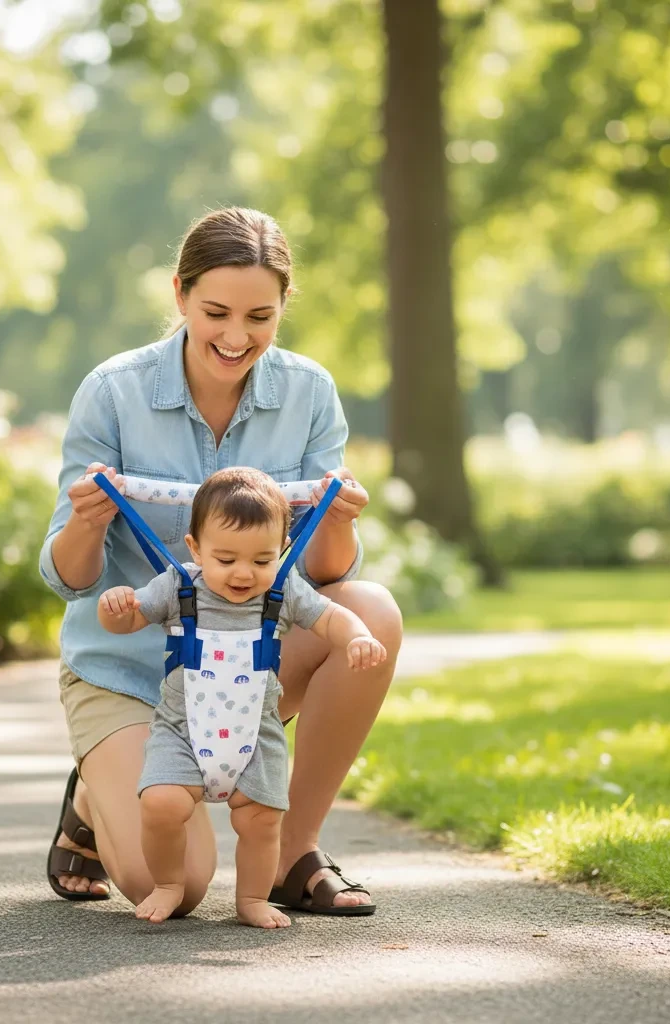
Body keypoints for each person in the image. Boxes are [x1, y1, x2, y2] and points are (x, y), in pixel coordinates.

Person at [41, 206, 403, 917]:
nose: (237, 337)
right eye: (216, 312)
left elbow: (327, 577)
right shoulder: (113, 392)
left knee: (372, 611)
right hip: (127, 669)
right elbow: (68, 578)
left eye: (260, 317)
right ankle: (93, 789)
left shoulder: (308, 394)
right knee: (174, 886)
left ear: (282, 309)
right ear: (180, 294)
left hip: (243, 657)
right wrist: (87, 524)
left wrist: (333, 518)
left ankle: (292, 849)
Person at [96, 467, 387, 927]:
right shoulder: (179, 585)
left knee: (261, 820)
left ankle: (252, 898)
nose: (244, 573)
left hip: (257, 733)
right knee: (162, 804)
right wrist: (116, 609)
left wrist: (358, 635)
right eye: (226, 559)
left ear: (282, 552)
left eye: (262, 559)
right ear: (195, 548)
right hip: (182, 730)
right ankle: (168, 883)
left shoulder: (282, 589)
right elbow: (130, 620)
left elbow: (331, 618)